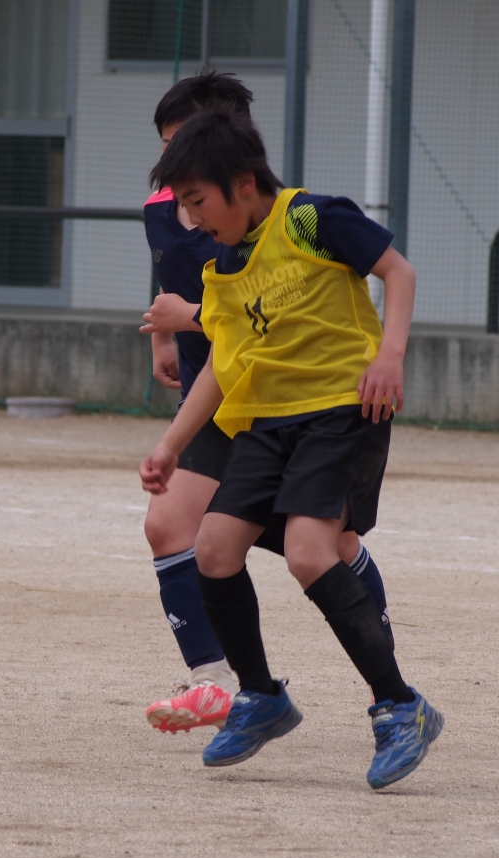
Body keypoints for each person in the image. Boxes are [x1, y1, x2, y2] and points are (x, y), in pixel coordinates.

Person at [140, 110, 443, 788]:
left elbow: (398, 272)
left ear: (243, 183)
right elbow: (224, 363)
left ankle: (401, 705)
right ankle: (261, 697)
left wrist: (390, 356)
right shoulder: (225, 261)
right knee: (214, 548)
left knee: (310, 551)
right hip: (268, 422)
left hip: (341, 411)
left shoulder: (310, 217)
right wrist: (170, 444)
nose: (193, 219)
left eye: (199, 201)